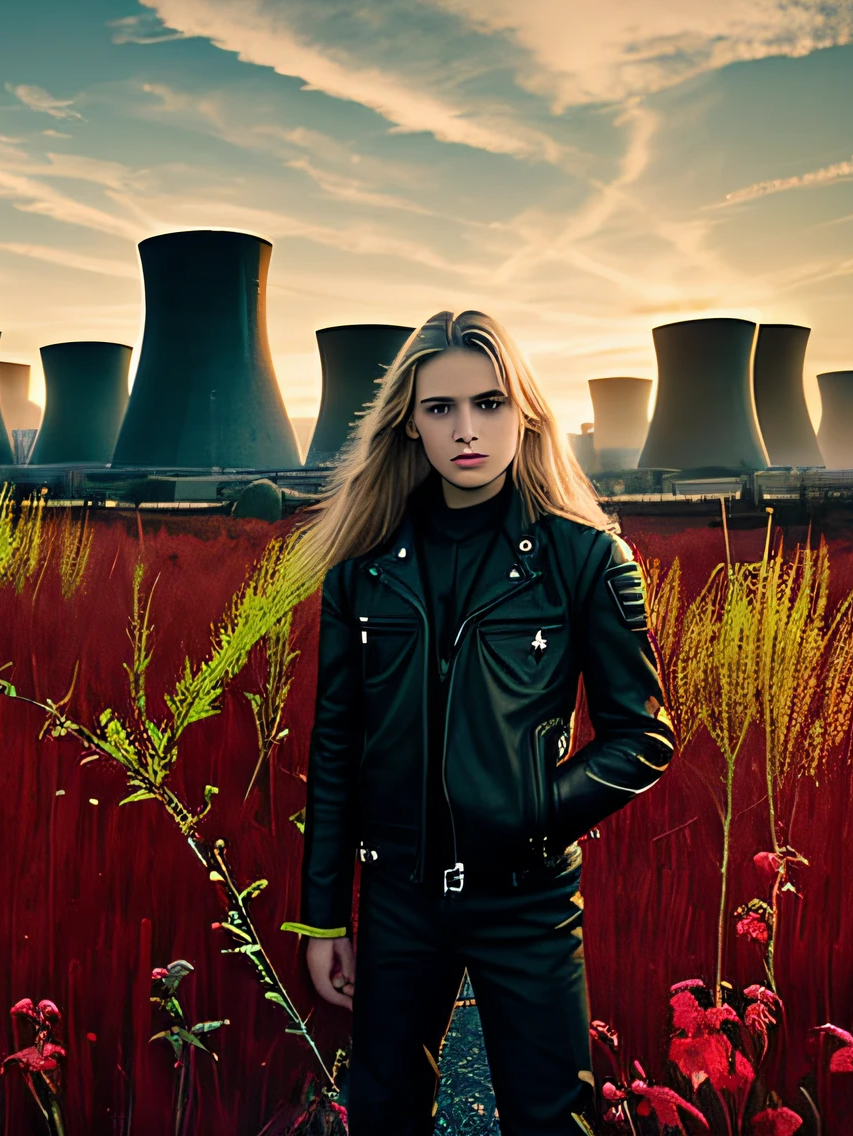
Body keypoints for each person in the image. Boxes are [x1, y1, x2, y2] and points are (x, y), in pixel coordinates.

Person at [282, 310, 676, 1134]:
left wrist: (531, 808)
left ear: (525, 412)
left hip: (527, 900)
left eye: (490, 404)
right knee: (384, 1112)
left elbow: (644, 735)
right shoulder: (362, 568)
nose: (468, 430)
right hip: (398, 897)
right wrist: (325, 916)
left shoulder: (587, 558)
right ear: (410, 423)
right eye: (441, 408)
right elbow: (336, 743)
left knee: (552, 1118)